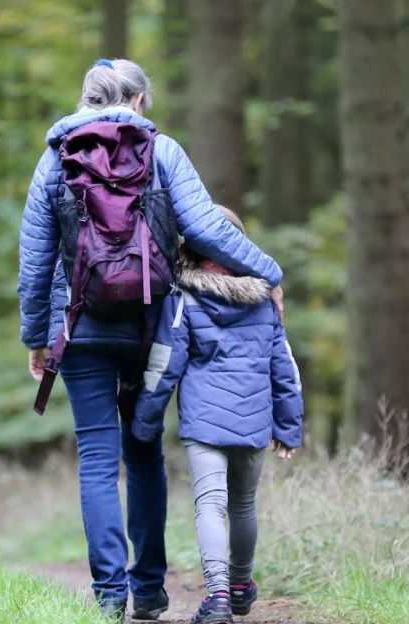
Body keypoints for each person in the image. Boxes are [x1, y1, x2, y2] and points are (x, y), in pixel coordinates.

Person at [17, 59, 285, 622]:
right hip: (151, 326)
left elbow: (35, 260)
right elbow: (208, 228)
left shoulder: (54, 160)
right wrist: (269, 273)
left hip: (81, 326)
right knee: (143, 453)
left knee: (96, 457)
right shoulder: (163, 152)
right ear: (138, 100)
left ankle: (110, 595)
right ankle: (151, 590)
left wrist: (37, 338)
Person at [132, 207, 303, 624]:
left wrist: (145, 420)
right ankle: (242, 585)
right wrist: (289, 426)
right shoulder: (264, 299)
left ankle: (219, 598)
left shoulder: (184, 298)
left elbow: (164, 363)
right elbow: (285, 368)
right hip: (255, 419)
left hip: (205, 422)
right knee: (243, 504)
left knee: (210, 504)